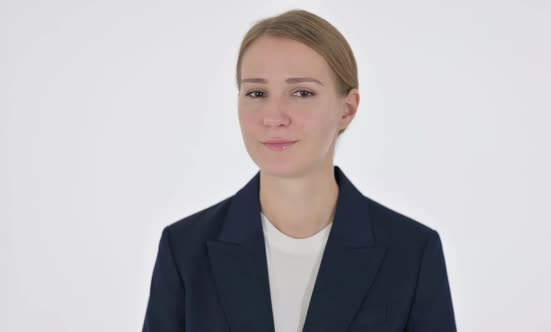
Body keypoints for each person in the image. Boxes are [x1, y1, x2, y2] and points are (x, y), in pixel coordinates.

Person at [142, 8, 457, 332]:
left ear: (347, 109)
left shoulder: (412, 253)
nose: (274, 116)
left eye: (302, 93)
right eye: (257, 93)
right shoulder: (184, 249)